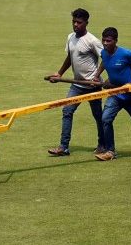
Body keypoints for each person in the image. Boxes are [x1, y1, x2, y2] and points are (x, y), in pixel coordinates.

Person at [46, 8, 106, 157]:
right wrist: (59, 73)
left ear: (86, 23)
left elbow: (106, 58)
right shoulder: (70, 37)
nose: (75, 25)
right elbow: (70, 57)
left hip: (92, 86)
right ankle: (64, 147)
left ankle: (103, 144)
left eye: (79, 22)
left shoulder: (92, 40)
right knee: (67, 111)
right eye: (74, 22)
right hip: (77, 85)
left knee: (98, 115)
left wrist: (97, 76)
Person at [93, 27, 131, 161]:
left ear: (116, 41)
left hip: (130, 95)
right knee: (105, 119)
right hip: (115, 94)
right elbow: (104, 63)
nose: (105, 43)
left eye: (109, 41)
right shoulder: (104, 53)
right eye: (104, 40)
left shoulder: (126, 53)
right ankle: (110, 151)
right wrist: (97, 76)